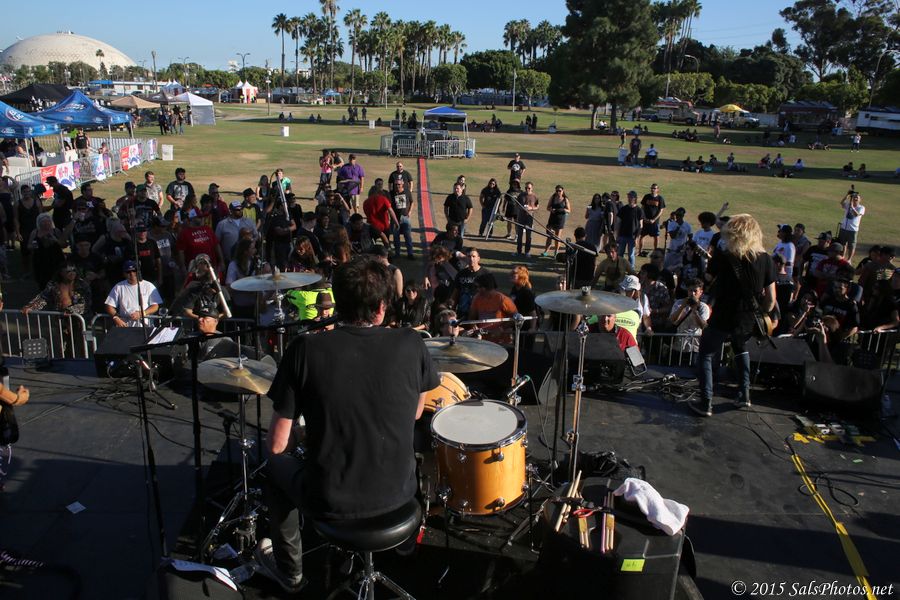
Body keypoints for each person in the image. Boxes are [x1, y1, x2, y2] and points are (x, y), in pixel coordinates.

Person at [257, 256, 439, 592]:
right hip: (400, 494)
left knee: (271, 464)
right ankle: (404, 546)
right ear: (382, 308)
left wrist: (308, 432)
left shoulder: (304, 349)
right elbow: (415, 414)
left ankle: (290, 572)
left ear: (336, 303)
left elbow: (278, 444)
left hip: (332, 502)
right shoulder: (412, 343)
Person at [690, 215, 775, 416]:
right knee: (740, 348)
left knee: (706, 353)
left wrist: (711, 264)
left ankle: (705, 402)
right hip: (748, 316)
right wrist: (760, 314)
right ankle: (744, 394)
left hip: (724, 313)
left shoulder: (724, 255)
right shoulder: (766, 259)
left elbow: (708, 278)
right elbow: (771, 299)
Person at [104, 260, 163, 327]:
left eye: (134, 271)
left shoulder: (149, 285)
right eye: (128, 272)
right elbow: (109, 305)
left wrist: (142, 313)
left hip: (145, 326)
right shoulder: (118, 287)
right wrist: (116, 318)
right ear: (124, 274)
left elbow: (155, 306)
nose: (132, 274)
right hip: (126, 326)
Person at [22, 262, 90, 317]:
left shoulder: (82, 284)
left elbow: (86, 303)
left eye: (74, 270)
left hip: (80, 319)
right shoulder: (54, 284)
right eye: (68, 271)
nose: (72, 273)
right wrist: (31, 307)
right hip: (60, 319)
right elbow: (44, 298)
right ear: (61, 273)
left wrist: (72, 310)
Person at [468, 272, 518, 343]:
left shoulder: (503, 299)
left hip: (501, 341)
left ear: (485, 287)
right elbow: (472, 317)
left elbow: (516, 318)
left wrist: (501, 328)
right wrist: (474, 326)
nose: (476, 289)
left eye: (478, 287)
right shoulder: (477, 298)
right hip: (483, 340)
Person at [668, 278, 709, 353]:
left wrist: (695, 311)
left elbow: (703, 326)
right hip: (678, 344)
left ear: (700, 292)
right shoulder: (679, 303)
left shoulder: (703, 307)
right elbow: (673, 320)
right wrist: (683, 306)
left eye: (695, 291)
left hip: (695, 346)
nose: (692, 293)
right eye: (690, 290)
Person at [452, 248, 488, 316]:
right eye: (469, 256)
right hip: (462, 312)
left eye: (474, 256)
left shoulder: (486, 274)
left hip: (480, 313)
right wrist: (452, 310)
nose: (471, 259)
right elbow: (456, 293)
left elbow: (491, 294)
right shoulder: (461, 274)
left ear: (478, 258)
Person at [615, 191, 643, 268]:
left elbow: (641, 226)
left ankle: (631, 270)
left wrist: (637, 238)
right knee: (620, 253)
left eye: (631, 197)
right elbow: (618, 223)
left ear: (635, 198)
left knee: (631, 255)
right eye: (629, 197)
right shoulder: (623, 209)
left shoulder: (639, 210)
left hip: (632, 237)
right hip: (622, 235)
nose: (629, 198)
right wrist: (617, 235)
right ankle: (619, 268)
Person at [542, 185, 570, 257]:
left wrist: (562, 210)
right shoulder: (553, 197)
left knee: (557, 237)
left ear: (563, 191)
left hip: (560, 220)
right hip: (552, 219)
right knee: (549, 235)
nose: (558, 192)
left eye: (559, 191)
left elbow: (569, 210)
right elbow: (548, 207)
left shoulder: (565, 199)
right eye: (557, 191)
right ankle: (546, 251)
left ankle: (556, 252)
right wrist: (551, 210)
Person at [638, 184, 665, 257]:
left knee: (656, 237)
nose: (653, 189)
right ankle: (639, 251)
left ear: (657, 189)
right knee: (642, 236)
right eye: (652, 188)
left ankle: (655, 252)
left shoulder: (660, 198)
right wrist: (644, 218)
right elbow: (642, 208)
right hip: (645, 221)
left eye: (654, 188)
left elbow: (661, 211)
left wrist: (654, 219)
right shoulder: (646, 196)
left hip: (655, 222)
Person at [838, 190, 865, 262]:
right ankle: (842, 257)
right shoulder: (848, 204)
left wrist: (852, 207)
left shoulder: (861, 207)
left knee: (851, 246)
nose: (855, 198)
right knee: (843, 244)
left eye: (857, 198)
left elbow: (856, 214)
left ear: (860, 200)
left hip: (853, 230)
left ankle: (849, 260)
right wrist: (847, 195)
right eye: (854, 197)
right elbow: (841, 203)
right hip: (844, 227)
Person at [515, 182, 539, 256]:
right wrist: (521, 208)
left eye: (529, 188)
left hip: (529, 218)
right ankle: (519, 251)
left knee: (528, 236)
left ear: (532, 188)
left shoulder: (534, 196)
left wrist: (531, 208)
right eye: (526, 188)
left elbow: (537, 206)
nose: (527, 189)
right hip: (521, 217)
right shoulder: (521, 195)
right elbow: (517, 205)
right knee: (519, 235)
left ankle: (527, 252)